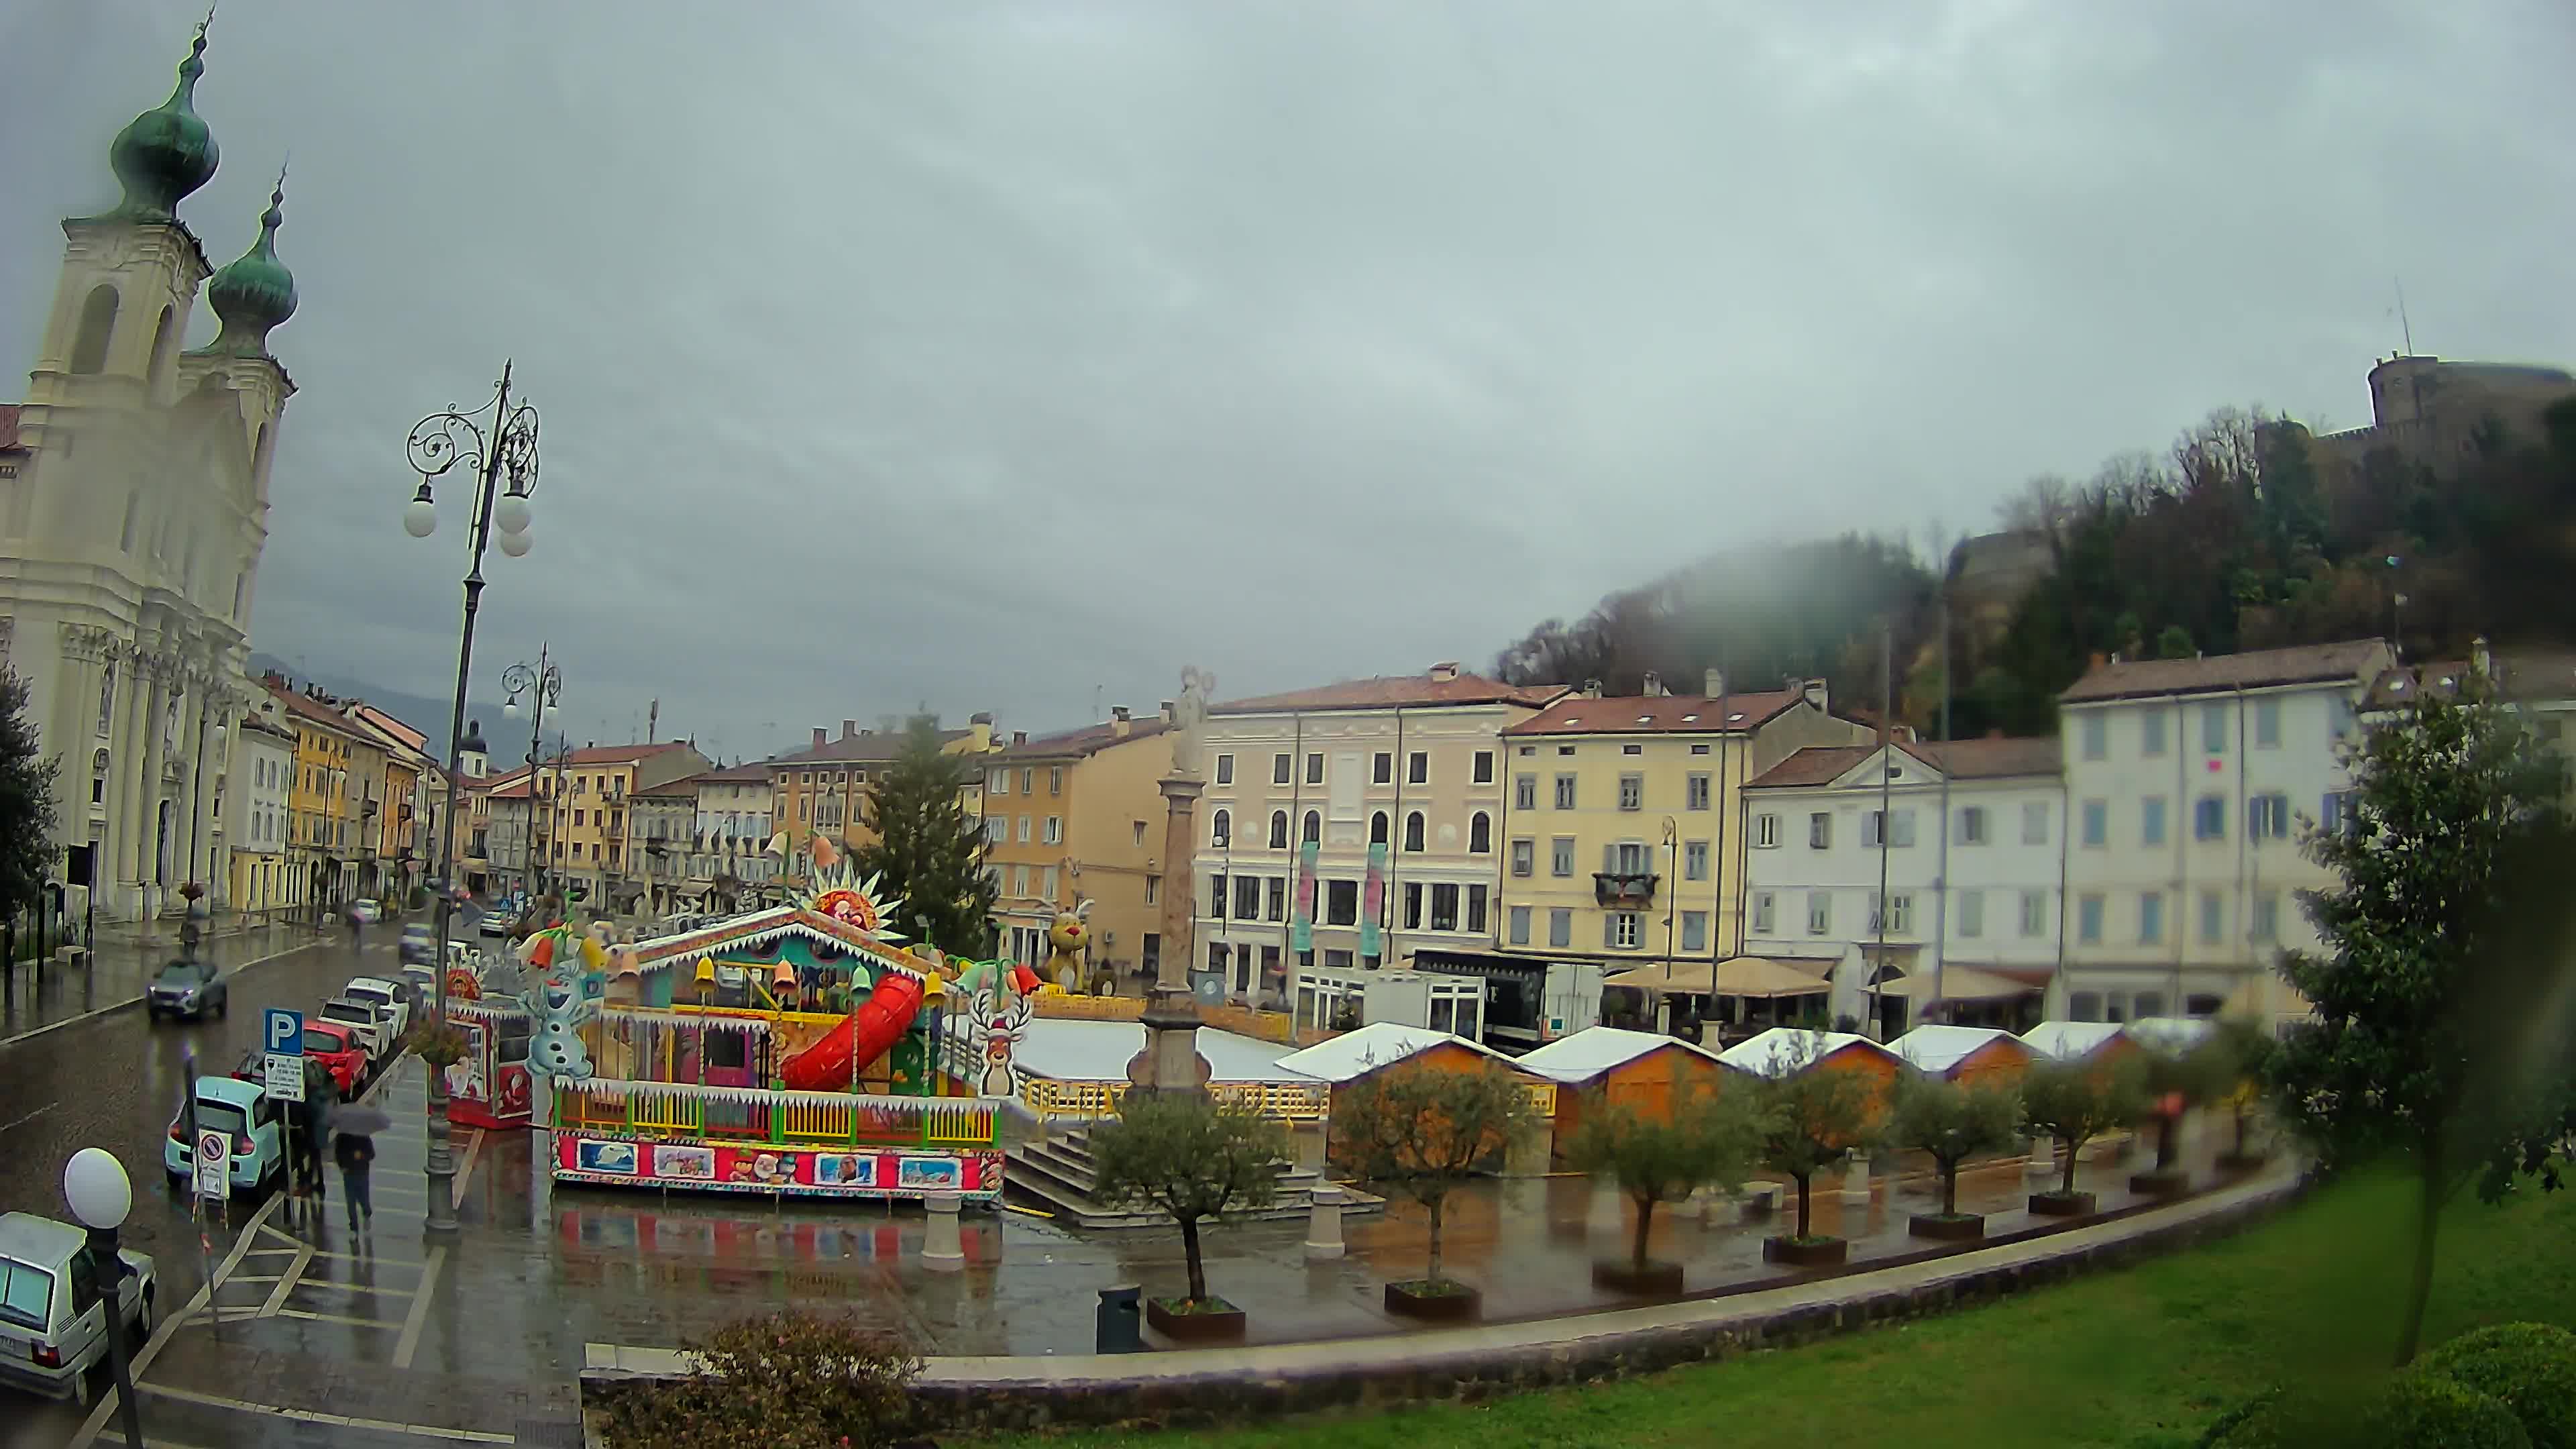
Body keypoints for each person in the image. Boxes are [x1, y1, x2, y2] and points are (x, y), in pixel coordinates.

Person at [334, 1128, 375, 1231]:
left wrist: (361, 1156)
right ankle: (354, 1227)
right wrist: (342, 1165)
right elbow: (338, 1153)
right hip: (348, 1173)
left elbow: (371, 1154)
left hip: (362, 1172)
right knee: (350, 1202)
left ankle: (366, 1213)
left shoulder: (364, 1136)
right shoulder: (342, 1136)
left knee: (364, 1198)